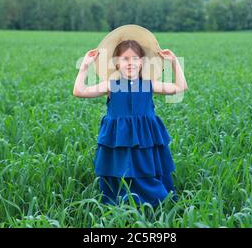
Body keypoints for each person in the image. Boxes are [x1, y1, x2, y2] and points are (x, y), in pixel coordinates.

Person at [73, 25, 188, 207]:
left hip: (144, 139)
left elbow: (180, 87)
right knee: (119, 172)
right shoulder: (111, 85)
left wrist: (174, 62)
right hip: (118, 138)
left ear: (142, 62)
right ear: (117, 63)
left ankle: (153, 202)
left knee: (146, 171)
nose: (130, 63)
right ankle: (122, 202)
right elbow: (79, 91)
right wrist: (85, 66)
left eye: (135, 58)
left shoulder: (149, 84)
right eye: (125, 59)